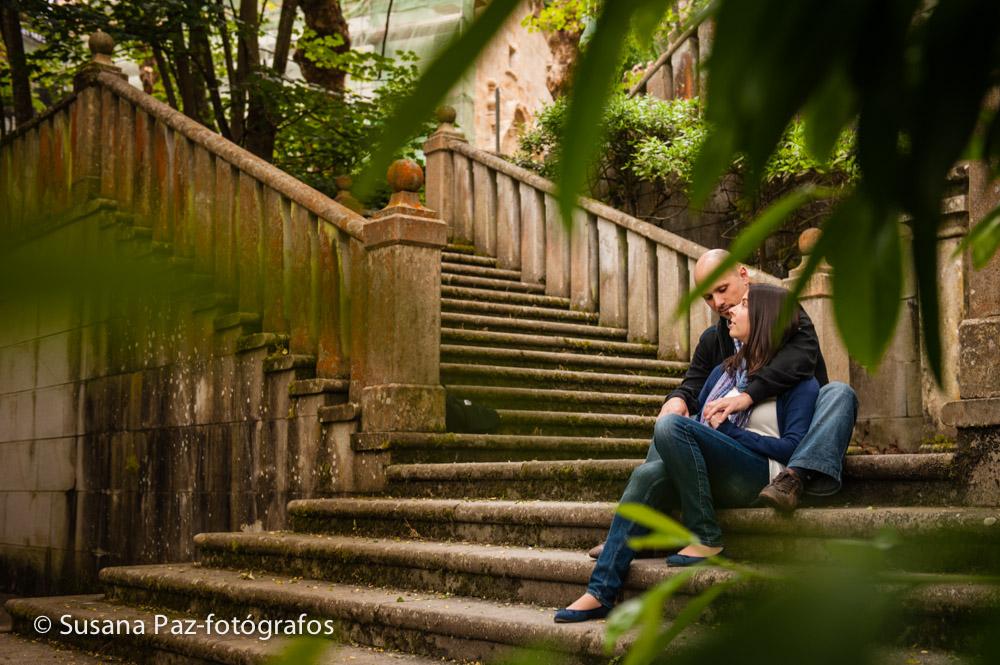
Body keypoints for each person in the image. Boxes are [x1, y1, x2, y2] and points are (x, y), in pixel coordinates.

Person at [555, 285, 819, 623]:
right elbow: (698, 421)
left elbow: (794, 448)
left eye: (743, 306)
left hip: (760, 474)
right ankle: (600, 591)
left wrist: (730, 433)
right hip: (717, 471)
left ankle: (706, 535)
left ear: (766, 318)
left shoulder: (799, 383)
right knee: (647, 473)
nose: (730, 312)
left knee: (671, 427)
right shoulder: (723, 372)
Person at [589, 250, 858, 561]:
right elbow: (693, 385)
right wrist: (675, 399)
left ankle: (797, 476)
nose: (718, 304)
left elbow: (800, 361)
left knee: (839, 392)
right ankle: (645, 526)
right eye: (708, 298)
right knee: (672, 419)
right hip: (740, 446)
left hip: (798, 431)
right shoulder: (714, 339)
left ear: (743, 275)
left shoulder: (782, 312)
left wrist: (748, 394)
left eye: (722, 289)